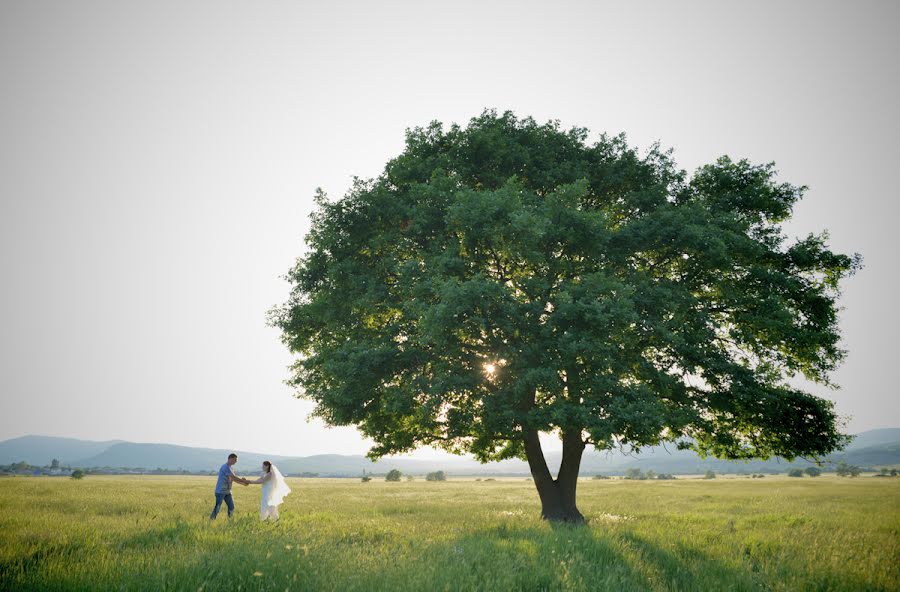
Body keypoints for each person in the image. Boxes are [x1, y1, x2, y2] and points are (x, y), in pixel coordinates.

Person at [209, 453, 249, 520]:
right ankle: (211, 520)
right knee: (218, 507)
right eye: (235, 460)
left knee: (231, 507)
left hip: (228, 492)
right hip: (221, 491)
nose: (236, 462)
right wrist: (243, 481)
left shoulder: (231, 468)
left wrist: (243, 484)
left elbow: (233, 479)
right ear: (230, 458)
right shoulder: (225, 467)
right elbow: (233, 477)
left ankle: (230, 521)